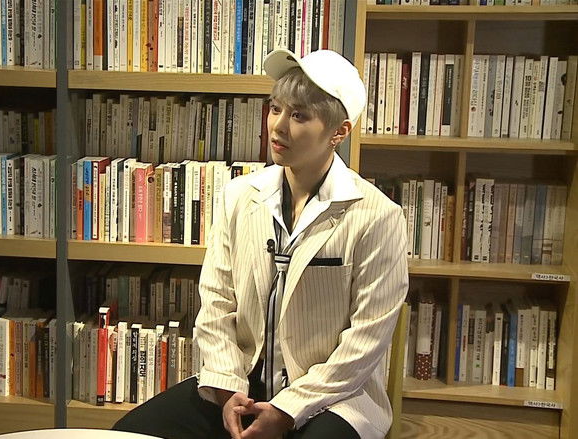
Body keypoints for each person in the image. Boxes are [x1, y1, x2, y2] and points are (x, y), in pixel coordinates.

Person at [113, 49, 409, 439]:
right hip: (242, 385)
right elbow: (216, 303)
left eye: (299, 115)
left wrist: (287, 410)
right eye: (275, 109)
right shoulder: (238, 196)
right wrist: (228, 389)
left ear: (339, 132)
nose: (277, 126)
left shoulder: (378, 216)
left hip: (332, 397)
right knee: (128, 433)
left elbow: (365, 342)